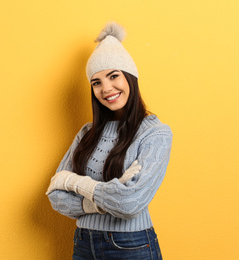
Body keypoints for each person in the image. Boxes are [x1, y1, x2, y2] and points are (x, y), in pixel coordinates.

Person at [46, 22, 172, 260]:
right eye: (97, 82)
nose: (106, 88)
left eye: (114, 76)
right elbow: (56, 195)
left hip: (131, 246)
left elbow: (129, 203)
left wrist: (74, 182)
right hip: (84, 243)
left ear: (130, 78)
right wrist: (104, 199)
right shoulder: (86, 133)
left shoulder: (155, 133)